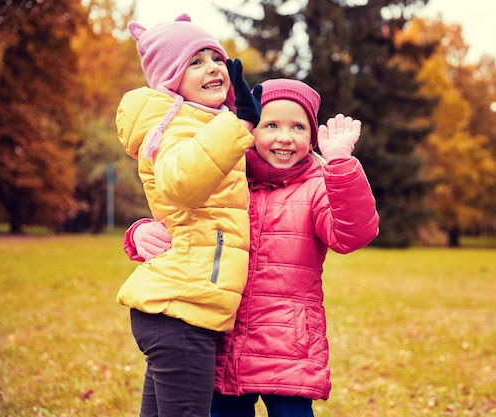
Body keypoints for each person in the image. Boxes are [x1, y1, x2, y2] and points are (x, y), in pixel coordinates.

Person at [126, 78, 380, 417]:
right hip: (223, 342)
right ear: (250, 128)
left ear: (313, 136)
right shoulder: (225, 178)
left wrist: (340, 165)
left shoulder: (318, 187)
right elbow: (179, 212)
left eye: (298, 127)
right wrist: (140, 233)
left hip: (287, 346)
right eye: (270, 124)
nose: (284, 137)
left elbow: (352, 235)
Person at [115, 13, 261, 417]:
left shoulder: (207, 123)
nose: (213, 67)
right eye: (194, 61)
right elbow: (179, 183)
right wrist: (240, 124)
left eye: (216, 57)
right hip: (180, 307)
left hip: (182, 306)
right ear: (170, 78)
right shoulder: (177, 125)